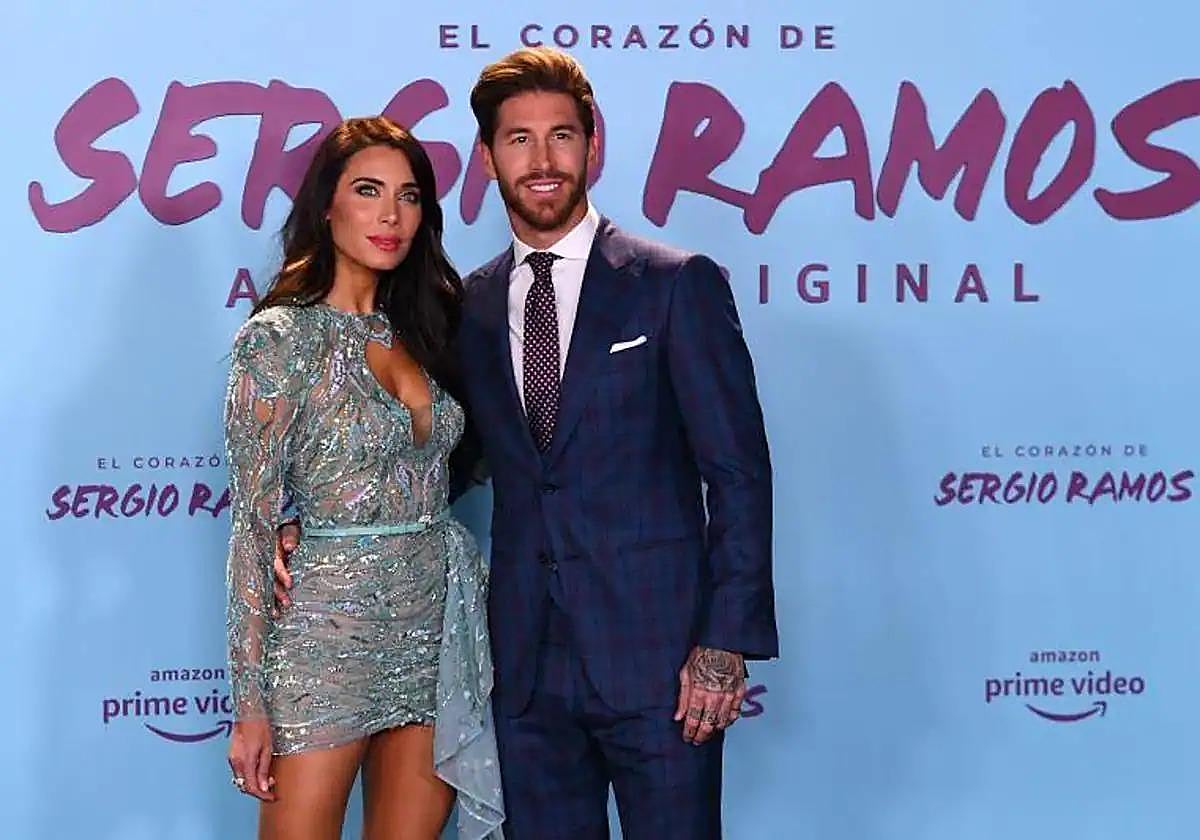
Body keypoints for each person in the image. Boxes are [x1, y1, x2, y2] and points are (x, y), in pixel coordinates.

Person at [276, 46, 778, 839]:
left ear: (593, 146)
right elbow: (449, 456)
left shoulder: (675, 284)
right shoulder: (468, 307)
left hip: (659, 662)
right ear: (488, 158)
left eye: (561, 136)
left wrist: (723, 643)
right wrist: (323, 520)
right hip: (523, 669)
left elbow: (739, 473)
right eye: (519, 139)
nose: (542, 161)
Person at [223, 116, 503, 840]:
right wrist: (249, 705)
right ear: (327, 206)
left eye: (409, 197)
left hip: (435, 629)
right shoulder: (279, 339)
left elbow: (445, 467)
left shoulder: (432, 327)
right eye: (369, 191)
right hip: (326, 634)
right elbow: (251, 527)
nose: (391, 216)